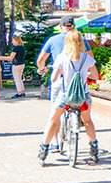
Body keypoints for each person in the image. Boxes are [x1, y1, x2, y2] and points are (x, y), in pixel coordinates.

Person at [37, 30, 101, 165]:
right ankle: (94, 148)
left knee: (53, 120)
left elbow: (53, 79)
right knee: (87, 121)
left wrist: (62, 72)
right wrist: (85, 74)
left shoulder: (62, 58)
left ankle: (44, 150)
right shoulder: (87, 58)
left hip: (66, 96)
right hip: (83, 96)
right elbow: (95, 76)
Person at [36, 17, 92, 105]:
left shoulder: (52, 40)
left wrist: (41, 69)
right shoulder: (81, 40)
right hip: (78, 77)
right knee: (82, 105)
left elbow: (40, 60)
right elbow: (90, 58)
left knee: (56, 107)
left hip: (59, 76)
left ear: (60, 26)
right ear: (73, 26)